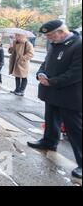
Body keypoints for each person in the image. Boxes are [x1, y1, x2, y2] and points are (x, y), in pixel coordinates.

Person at [27, 20, 82, 179]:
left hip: (70, 95)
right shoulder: (55, 43)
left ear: (61, 31)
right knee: (51, 120)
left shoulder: (78, 45)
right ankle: (49, 142)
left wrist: (52, 81)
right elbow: (46, 62)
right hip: (52, 92)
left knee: (75, 130)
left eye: (51, 35)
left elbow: (76, 73)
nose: (49, 39)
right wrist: (40, 73)